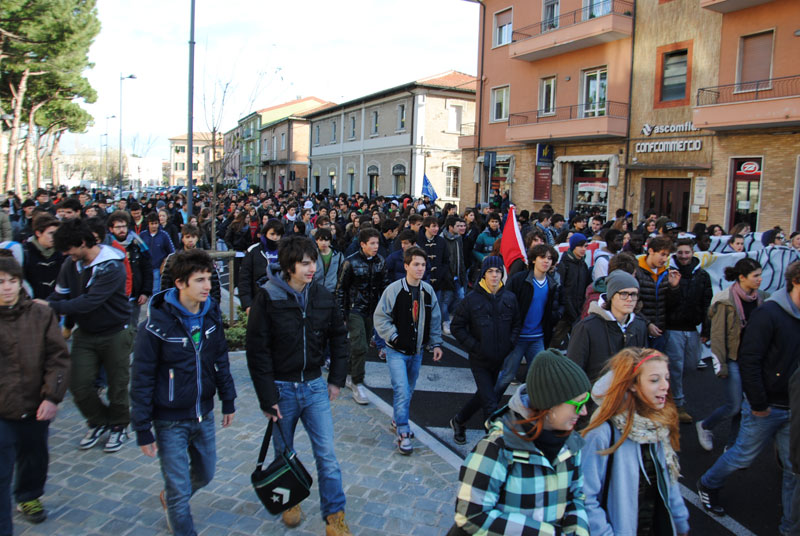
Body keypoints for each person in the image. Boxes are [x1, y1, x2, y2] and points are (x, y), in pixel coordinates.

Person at [245, 235, 352, 535]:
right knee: (285, 453)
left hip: (314, 386)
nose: (311, 268)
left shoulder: (322, 295)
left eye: (313, 262)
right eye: (305, 263)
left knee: (327, 456)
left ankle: (335, 516)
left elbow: (338, 337)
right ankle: (289, 499)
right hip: (281, 389)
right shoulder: (268, 296)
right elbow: (258, 351)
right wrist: (267, 398)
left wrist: (336, 380)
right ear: (289, 266)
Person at [131, 249, 236, 536]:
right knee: (178, 491)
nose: (207, 286)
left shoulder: (210, 314)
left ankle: (172, 498)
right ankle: (176, 509)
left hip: (204, 413)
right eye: (199, 280)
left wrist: (228, 399)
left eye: (209, 279)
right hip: (169, 420)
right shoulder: (154, 326)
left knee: (206, 473)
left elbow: (220, 358)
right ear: (179, 283)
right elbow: (141, 378)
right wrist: (142, 427)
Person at [697, 262, 800, 535]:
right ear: (797, 281)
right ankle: (708, 482)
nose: (760, 279)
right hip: (767, 405)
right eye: (755, 275)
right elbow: (750, 359)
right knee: (743, 455)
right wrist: (758, 403)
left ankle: (791, 528)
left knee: (794, 468)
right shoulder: (769, 314)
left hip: (794, 406)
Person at [451, 350, 591, 535]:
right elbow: (470, 516)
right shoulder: (497, 447)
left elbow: (576, 497)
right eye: (578, 404)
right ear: (549, 405)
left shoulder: (571, 443)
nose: (584, 412)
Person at [43, 218, 132, 453]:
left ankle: (119, 426)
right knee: (79, 384)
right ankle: (100, 421)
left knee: (117, 386)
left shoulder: (112, 265)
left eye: (69, 249)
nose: (66, 254)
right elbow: (60, 295)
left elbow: (89, 302)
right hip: (86, 333)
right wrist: (44, 305)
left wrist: (51, 307)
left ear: (83, 242)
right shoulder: (70, 264)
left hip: (116, 332)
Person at [582, 348, 689, 536]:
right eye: (655, 380)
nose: (665, 386)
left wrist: (680, 523)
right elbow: (586, 496)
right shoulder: (603, 433)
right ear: (632, 384)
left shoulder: (656, 426)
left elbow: (669, 481)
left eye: (666, 378)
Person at [0, 256, 69, 533]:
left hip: (35, 404)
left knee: (35, 455)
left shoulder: (40, 314)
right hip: (2, 410)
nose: (6, 287)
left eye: (12, 281)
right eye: (1, 282)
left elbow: (59, 359)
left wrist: (52, 396)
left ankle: (29, 496)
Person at [373, 246, 443, 455]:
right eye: (416, 264)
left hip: (418, 351)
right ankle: (403, 431)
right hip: (396, 351)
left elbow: (436, 319)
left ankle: (397, 418)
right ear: (406, 266)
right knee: (402, 389)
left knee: (409, 389)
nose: (420, 268)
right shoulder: (394, 289)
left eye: (423, 265)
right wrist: (394, 336)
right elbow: (380, 317)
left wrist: (436, 343)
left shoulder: (428, 291)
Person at [695, 258, 767, 451]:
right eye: (756, 276)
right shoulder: (725, 301)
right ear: (742, 277)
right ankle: (705, 425)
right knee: (734, 405)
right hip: (733, 359)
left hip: (752, 360)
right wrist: (721, 365)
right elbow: (718, 336)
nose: (760, 279)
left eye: (760, 275)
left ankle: (732, 444)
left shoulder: (762, 298)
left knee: (745, 406)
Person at [449, 256, 521, 445]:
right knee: (490, 402)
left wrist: (510, 344)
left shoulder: (509, 297)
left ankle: (459, 420)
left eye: (498, 271)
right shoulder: (471, 299)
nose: (495, 275)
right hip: (479, 359)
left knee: (484, 394)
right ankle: (493, 444)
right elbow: (457, 326)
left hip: (500, 357)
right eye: (490, 271)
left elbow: (516, 323)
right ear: (484, 274)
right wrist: (474, 346)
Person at [495, 244, 562, 395]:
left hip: (538, 338)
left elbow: (557, 306)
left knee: (536, 378)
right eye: (542, 257)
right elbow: (504, 305)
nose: (546, 261)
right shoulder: (519, 280)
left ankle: (526, 409)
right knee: (507, 376)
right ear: (533, 260)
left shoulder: (552, 284)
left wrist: (556, 316)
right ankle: (490, 404)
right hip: (518, 338)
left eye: (550, 258)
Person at [568, 270, 648, 383]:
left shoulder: (639, 326)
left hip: (628, 395)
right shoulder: (586, 327)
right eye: (624, 294)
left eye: (634, 294)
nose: (630, 299)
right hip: (596, 396)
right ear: (611, 296)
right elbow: (574, 370)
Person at [336, 228, 387, 405]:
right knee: (360, 346)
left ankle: (349, 373)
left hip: (371, 310)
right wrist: (342, 314)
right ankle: (358, 382)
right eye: (372, 243)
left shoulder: (380, 261)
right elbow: (341, 289)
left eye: (377, 243)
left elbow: (384, 287)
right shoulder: (350, 262)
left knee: (361, 343)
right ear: (362, 244)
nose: (375, 247)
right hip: (354, 308)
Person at [664, 238, 712, 424]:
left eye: (687, 252)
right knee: (675, 366)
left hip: (692, 327)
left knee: (690, 365)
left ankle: (671, 393)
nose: (684, 256)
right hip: (673, 327)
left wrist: (706, 328)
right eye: (681, 252)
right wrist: (673, 288)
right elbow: (665, 302)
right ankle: (678, 404)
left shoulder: (702, 276)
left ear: (693, 253)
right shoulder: (669, 273)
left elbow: (707, 302)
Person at [107, 211, 153, 335]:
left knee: (132, 329)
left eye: (124, 226)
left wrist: (145, 292)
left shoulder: (137, 245)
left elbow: (146, 268)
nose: (122, 230)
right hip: (114, 297)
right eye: (118, 227)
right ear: (111, 229)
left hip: (134, 295)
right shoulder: (107, 247)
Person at [635, 236, 680, 351]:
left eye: (667, 255)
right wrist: (647, 323)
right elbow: (633, 304)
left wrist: (673, 288)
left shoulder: (666, 273)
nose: (665, 259)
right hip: (640, 329)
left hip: (660, 330)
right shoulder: (636, 271)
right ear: (651, 251)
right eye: (662, 254)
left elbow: (670, 305)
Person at [160, 224, 221, 303]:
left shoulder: (205, 258)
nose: (190, 240)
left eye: (193, 237)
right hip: (177, 302)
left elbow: (214, 285)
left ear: (197, 238)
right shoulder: (173, 259)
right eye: (187, 237)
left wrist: (215, 305)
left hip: (201, 303)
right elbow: (166, 285)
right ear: (183, 239)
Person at [552, 233, 591, 349]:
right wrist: (567, 309)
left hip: (579, 310)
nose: (583, 249)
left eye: (585, 246)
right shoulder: (564, 265)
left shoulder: (583, 265)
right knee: (556, 340)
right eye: (581, 246)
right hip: (566, 312)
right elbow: (562, 289)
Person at [239, 219, 283, 314]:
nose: (275, 237)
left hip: (280, 301)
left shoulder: (285, 251)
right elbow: (244, 278)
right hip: (258, 300)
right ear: (266, 233)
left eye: (278, 235)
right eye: (272, 234)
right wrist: (247, 304)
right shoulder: (253, 251)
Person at [22, 214, 65, 300]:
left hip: (55, 305)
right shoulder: (25, 253)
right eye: (50, 233)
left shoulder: (61, 254)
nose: (54, 237)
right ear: (38, 233)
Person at [441, 216, 466, 335]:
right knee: (446, 299)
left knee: (460, 296)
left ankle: (450, 315)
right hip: (447, 275)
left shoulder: (458, 239)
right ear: (451, 227)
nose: (460, 228)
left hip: (457, 274)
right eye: (457, 226)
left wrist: (462, 273)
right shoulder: (442, 239)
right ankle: (445, 321)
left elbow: (460, 256)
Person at [140, 212, 175, 295]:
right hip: (144, 268)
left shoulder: (164, 235)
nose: (154, 226)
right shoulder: (142, 235)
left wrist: (165, 262)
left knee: (156, 291)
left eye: (156, 223)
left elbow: (171, 252)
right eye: (152, 224)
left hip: (157, 267)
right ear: (148, 223)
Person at [313, 227, 343, 293]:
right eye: (321, 240)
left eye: (326, 240)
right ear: (316, 241)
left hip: (332, 290)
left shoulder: (338, 255)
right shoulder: (312, 255)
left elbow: (342, 275)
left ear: (330, 241)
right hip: (315, 290)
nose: (323, 243)